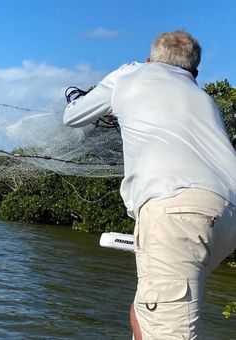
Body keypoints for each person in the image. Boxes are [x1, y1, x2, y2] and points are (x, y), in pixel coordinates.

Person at [63, 30, 236, 339]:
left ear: (149, 59)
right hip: (229, 216)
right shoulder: (204, 98)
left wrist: (77, 98)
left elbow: (73, 116)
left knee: (168, 327)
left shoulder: (129, 73)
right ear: (194, 71)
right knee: (145, 310)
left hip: (177, 211)